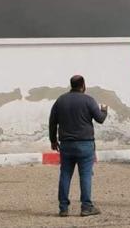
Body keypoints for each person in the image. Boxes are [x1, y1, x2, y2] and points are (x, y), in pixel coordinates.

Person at [49, 75, 108, 217]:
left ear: (71, 85)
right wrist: (104, 110)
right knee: (86, 175)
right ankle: (86, 207)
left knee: (65, 175)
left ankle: (63, 208)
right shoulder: (88, 100)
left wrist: (53, 140)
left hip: (66, 144)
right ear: (83, 85)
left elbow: (52, 121)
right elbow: (100, 119)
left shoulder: (60, 100)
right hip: (85, 144)